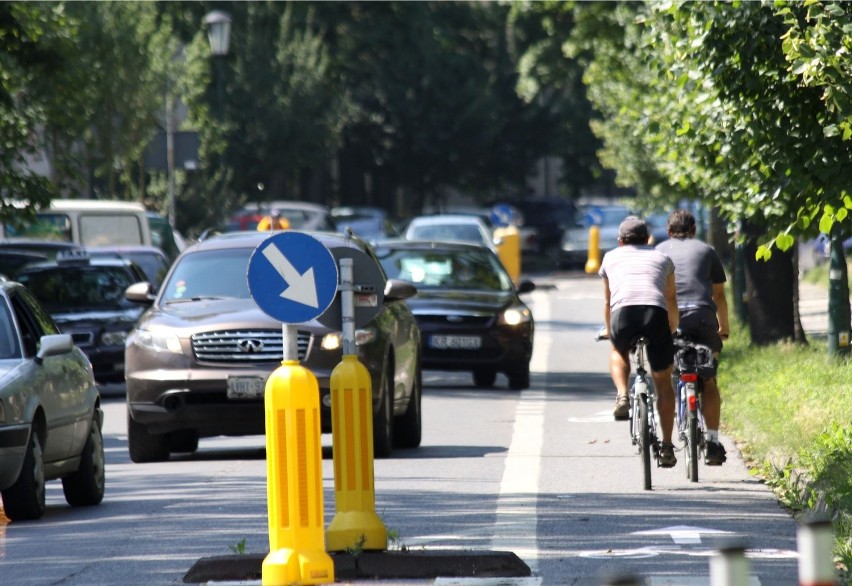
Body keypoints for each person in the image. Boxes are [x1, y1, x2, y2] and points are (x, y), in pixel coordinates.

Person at [599, 216, 680, 467]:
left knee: (618, 349)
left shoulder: (610, 257)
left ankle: (622, 395)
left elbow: (608, 300)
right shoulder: (662, 258)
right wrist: (672, 327)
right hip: (654, 313)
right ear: (648, 239)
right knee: (663, 383)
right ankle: (667, 445)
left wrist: (608, 330)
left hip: (623, 314)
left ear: (620, 241)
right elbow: (670, 298)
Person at [656, 209, 730, 465]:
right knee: (709, 380)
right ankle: (711, 440)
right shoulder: (707, 250)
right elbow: (718, 295)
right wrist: (724, 328)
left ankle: (670, 436)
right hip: (702, 318)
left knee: (669, 372)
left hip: (671, 319)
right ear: (694, 229)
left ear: (668, 231)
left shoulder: (658, 251)